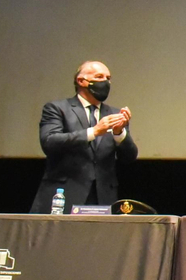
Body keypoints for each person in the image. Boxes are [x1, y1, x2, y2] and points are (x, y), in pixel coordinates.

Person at [32, 61, 136, 212]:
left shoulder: (115, 115)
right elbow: (49, 142)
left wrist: (119, 133)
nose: (106, 82)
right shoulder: (58, 109)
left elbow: (129, 157)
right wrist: (94, 131)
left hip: (102, 198)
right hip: (64, 196)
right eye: (99, 77)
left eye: (108, 78)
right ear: (81, 81)